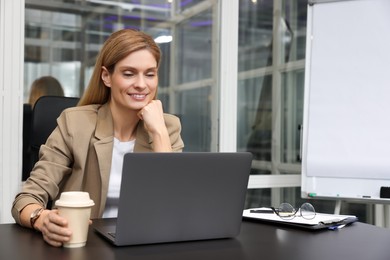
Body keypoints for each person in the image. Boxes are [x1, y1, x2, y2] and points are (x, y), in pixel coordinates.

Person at [12, 29, 184, 247]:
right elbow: (25, 200)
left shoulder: (167, 127)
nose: (142, 84)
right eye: (129, 73)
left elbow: (175, 209)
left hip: (145, 245)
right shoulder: (74, 123)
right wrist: (42, 218)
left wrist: (158, 132)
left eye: (150, 74)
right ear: (106, 76)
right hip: (85, 245)